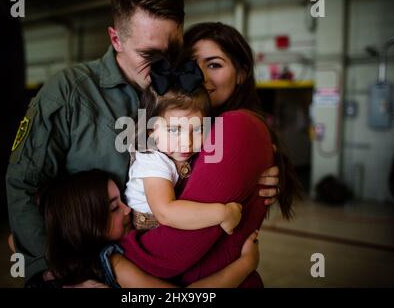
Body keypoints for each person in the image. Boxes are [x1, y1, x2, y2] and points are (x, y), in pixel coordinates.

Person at [6, 0, 279, 287]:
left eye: (173, 51)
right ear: (115, 39)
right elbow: (23, 186)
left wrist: (255, 177)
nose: (165, 66)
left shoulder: (186, 94)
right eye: (149, 55)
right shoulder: (69, 93)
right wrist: (52, 272)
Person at [119, 22, 303, 287]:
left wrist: (115, 261)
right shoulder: (189, 133)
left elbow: (171, 251)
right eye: (193, 64)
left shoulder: (235, 126)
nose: (202, 76)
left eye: (214, 64)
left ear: (241, 73)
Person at [41, 169, 260, 288]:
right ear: (86, 225)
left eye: (123, 200)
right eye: (115, 207)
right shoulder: (114, 263)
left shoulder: (64, 268)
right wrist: (246, 264)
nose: (128, 211)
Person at [125, 54, 242, 234]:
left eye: (197, 129)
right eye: (173, 130)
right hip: (150, 229)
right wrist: (223, 213)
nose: (187, 142)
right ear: (151, 131)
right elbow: (165, 213)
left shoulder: (184, 150)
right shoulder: (152, 161)